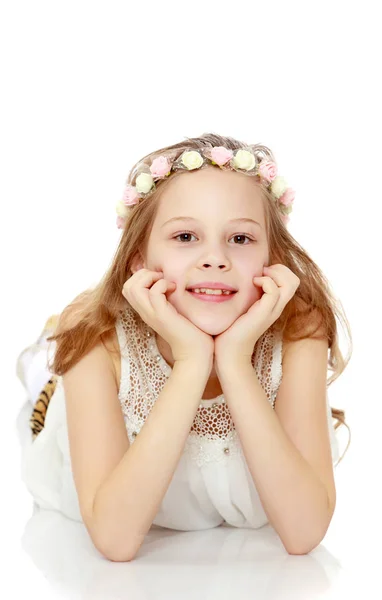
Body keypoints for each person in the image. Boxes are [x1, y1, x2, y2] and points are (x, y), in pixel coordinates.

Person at [16, 132, 352, 561]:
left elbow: (304, 532)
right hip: (68, 396)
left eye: (241, 239)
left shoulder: (300, 327)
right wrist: (193, 361)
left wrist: (233, 361)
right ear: (139, 260)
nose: (215, 259)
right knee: (48, 373)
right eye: (185, 237)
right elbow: (115, 541)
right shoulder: (96, 340)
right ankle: (41, 359)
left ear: (272, 260)